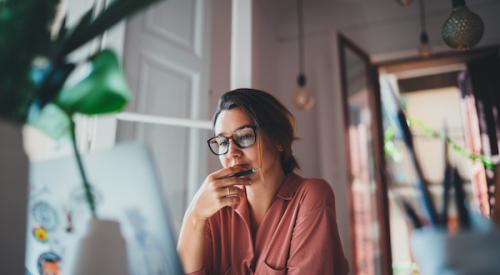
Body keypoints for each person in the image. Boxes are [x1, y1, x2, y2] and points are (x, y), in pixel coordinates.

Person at [177, 88, 349, 275]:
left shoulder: (311, 196)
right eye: (223, 143)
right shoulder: (213, 213)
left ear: (279, 140)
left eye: (244, 136)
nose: (231, 153)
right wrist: (194, 216)